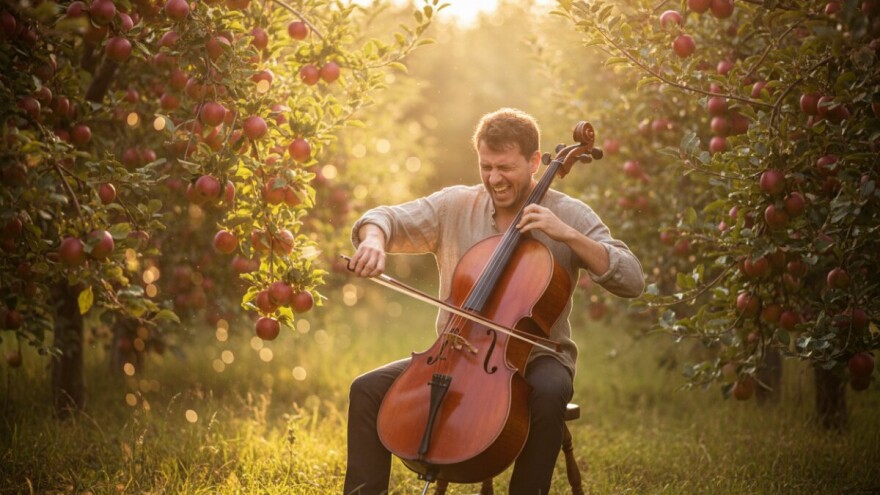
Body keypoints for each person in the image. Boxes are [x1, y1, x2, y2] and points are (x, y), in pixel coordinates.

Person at [344, 108, 644, 494]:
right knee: (366, 389)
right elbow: (385, 217)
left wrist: (568, 235)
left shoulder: (568, 214)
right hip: (454, 353)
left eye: (505, 167)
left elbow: (632, 278)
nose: (494, 178)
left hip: (538, 358)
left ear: (534, 162)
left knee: (548, 393)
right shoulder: (455, 205)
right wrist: (373, 240)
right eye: (486, 166)